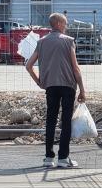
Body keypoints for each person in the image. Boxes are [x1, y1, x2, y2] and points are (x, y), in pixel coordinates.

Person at [25, 12, 86, 168]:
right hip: (68, 86)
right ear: (59, 23)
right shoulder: (69, 42)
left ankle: (48, 157)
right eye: (64, 24)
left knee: (51, 120)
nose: (66, 27)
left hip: (50, 86)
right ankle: (63, 158)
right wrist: (82, 89)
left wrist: (39, 81)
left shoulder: (42, 42)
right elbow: (75, 68)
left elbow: (28, 65)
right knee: (66, 121)